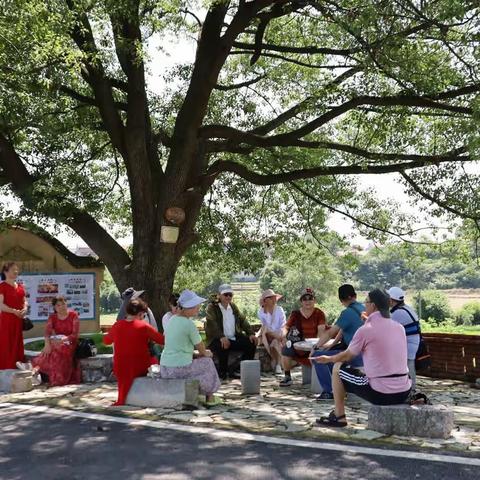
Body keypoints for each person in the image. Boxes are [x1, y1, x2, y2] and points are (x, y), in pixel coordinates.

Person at [313, 289, 412, 427]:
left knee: (337, 368)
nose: (364, 305)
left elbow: (347, 355)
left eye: (366, 302)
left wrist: (328, 359)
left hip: (381, 393)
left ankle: (339, 415)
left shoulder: (365, 330)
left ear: (373, 306)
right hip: (404, 391)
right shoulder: (399, 327)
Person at [160, 289, 221, 406]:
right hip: (178, 369)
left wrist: (197, 354)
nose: (198, 309)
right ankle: (210, 397)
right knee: (207, 362)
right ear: (188, 308)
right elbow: (202, 348)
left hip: (165, 368)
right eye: (196, 307)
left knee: (199, 360)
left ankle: (202, 394)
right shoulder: (189, 325)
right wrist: (205, 353)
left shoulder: (171, 320)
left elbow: (177, 347)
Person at [104, 298, 165, 406]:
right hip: (139, 366)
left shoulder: (117, 325)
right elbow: (162, 340)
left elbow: (106, 341)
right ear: (140, 313)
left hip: (120, 367)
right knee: (154, 360)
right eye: (143, 315)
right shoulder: (144, 326)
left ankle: (122, 398)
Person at [310, 284, 364, 400]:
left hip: (356, 355)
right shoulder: (364, 308)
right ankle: (340, 388)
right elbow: (342, 331)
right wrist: (331, 346)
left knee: (317, 357)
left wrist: (316, 347)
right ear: (355, 295)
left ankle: (330, 391)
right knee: (329, 355)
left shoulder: (347, 313)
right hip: (367, 352)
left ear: (341, 300)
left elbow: (330, 333)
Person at [25, 296, 81, 386]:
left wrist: (63, 340)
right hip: (57, 341)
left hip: (70, 342)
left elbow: (75, 335)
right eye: (58, 305)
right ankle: (54, 377)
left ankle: (35, 367)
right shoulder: (53, 317)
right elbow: (47, 332)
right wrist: (47, 345)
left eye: (63, 304)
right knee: (52, 349)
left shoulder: (73, 315)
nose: (62, 307)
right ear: (55, 308)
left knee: (56, 348)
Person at [205, 284, 257, 380]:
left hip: (233, 337)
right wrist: (221, 337)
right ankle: (222, 373)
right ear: (219, 295)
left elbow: (242, 320)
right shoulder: (211, 307)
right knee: (223, 345)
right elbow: (212, 323)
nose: (228, 297)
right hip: (216, 339)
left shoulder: (233, 307)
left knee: (251, 343)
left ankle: (238, 370)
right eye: (226, 294)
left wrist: (250, 333)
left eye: (230, 295)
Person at [279, 288, 327, 387]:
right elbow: (286, 327)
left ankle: (320, 379)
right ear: (301, 301)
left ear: (314, 300)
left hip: (313, 343)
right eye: (305, 299)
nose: (307, 301)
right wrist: (284, 337)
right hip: (297, 342)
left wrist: (318, 344)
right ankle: (287, 377)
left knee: (320, 351)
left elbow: (321, 330)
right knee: (285, 349)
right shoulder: (295, 314)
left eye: (310, 298)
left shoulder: (319, 313)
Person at [388, 286, 421, 390]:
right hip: (412, 342)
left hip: (409, 344)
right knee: (408, 366)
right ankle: (410, 388)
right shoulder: (406, 308)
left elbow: (385, 325)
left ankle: (410, 389)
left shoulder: (398, 313)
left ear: (391, 300)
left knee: (408, 366)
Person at [0, 262, 28, 370]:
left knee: (18, 343)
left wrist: (25, 308)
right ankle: (6, 368)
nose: (16, 271)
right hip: (7, 320)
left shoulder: (20, 286)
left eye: (17, 269)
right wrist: (13, 311)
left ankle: (18, 366)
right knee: (7, 343)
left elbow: (25, 301)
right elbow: (1, 305)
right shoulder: (2, 286)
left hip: (18, 319)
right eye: (13, 269)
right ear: (5, 272)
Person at [257, 289, 286, 375]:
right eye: (271, 298)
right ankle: (278, 364)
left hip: (279, 333)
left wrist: (279, 334)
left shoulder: (279, 310)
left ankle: (277, 364)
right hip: (267, 334)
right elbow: (265, 326)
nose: (274, 300)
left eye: (274, 298)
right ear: (266, 300)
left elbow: (283, 324)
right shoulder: (261, 312)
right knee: (267, 331)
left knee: (275, 342)